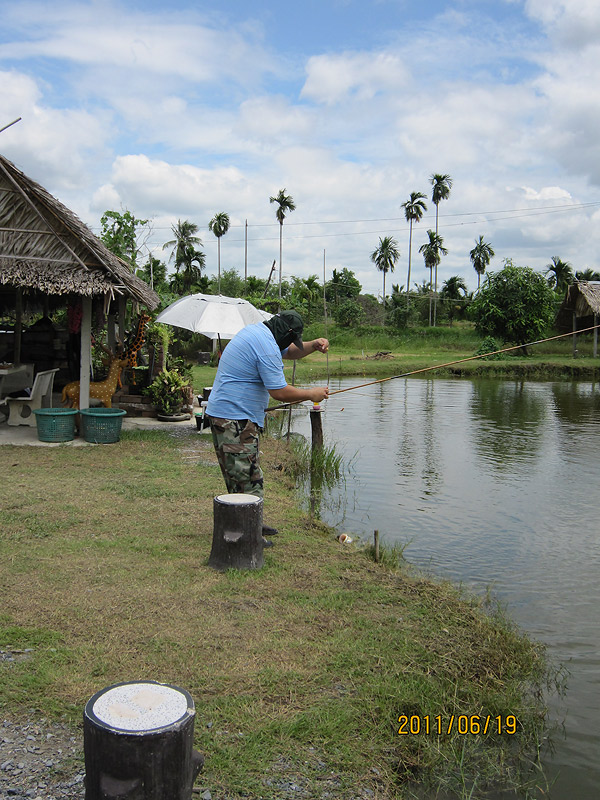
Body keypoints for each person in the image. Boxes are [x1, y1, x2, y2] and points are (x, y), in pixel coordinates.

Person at [206, 310, 329, 545]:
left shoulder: (261, 334)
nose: (290, 345)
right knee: (249, 477)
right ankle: (249, 534)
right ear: (285, 333)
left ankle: (249, 523)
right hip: (234, 418)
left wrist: (313, 345)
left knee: (240, 475)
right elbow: (279, 391)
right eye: (292, 339)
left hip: (230, 415)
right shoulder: (265, 345)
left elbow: (290, 351)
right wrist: (310, 394)